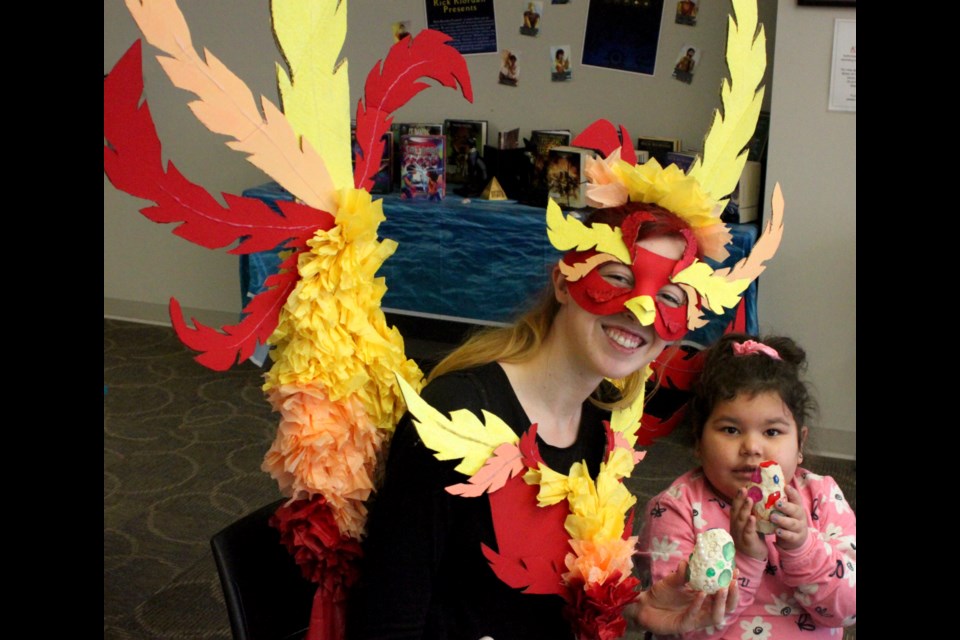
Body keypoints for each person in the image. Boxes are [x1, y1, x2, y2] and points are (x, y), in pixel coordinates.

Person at [347, 202, 740, 640]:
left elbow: (538, 605)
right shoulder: (455, 418)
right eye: (617, 278)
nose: (640, 310)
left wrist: (635, 612)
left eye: (668, 297)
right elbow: (384, 624)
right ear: (562, 282)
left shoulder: (601, 433)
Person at [638, 334, 857, 639]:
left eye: (772, 431)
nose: (752, 447)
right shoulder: (676, 507)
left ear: (800, 443)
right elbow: (681, 627)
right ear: (698, 442)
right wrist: (745, 558)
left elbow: (847, 611)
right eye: (731, 429)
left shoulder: (822, 497)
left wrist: (802, 548)